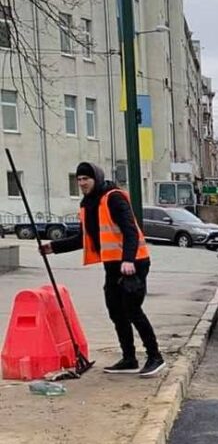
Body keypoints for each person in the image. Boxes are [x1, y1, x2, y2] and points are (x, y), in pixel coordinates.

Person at [41, 162, 164, 377]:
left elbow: (130, 231)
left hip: (134, 263)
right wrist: (53, 248)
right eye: (79, 179)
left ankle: (155, 356)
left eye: (85, 179)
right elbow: (84, 238)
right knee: (115, 310)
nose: (82, 183)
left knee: (132, 309)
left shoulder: (113, 197)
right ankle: (129, 358)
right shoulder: (87, 204)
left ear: (95, 178)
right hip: (112, 265)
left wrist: (128, 260)